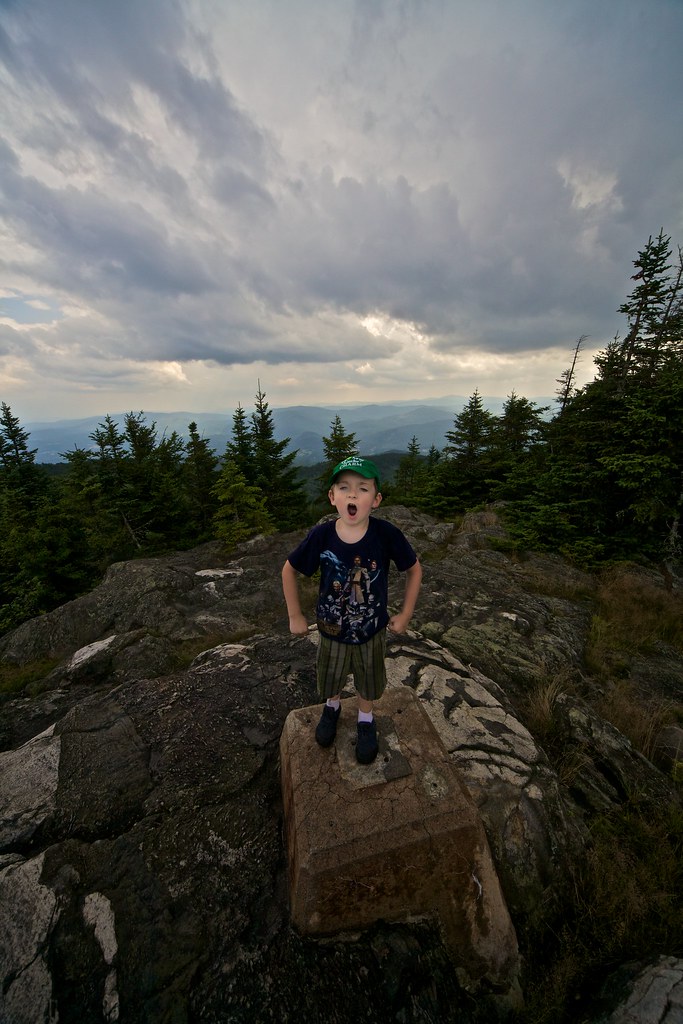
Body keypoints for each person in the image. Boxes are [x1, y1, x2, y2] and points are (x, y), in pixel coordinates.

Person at [281, 456, 422, 764]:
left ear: (376, 499)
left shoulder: (386, 535)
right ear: (333, 498)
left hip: (371, 631)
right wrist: (295, 615)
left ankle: (365, 719)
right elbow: (289, 570)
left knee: (368, 680)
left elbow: (414, 569)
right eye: (344, 487)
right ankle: (332, 708)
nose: (353, 494)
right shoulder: (322, 536)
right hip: (331, 630)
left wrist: (406, 613)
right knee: (331, 677)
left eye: (363, 488)